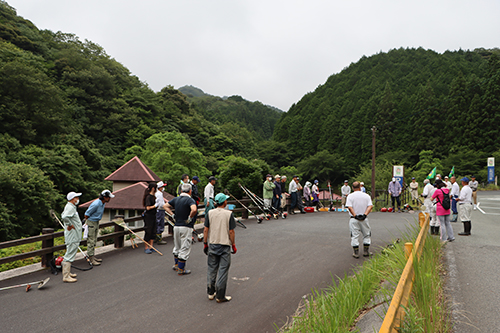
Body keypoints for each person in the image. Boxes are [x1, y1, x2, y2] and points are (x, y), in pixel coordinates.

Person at [203, 193, 237, 303]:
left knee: (212, 268)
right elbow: (231, 231)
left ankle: (210, 292)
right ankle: (220, 295)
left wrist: (205, 243)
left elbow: (205, 229)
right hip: (224, 244)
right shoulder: (229, 214)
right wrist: (233, 245)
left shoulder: (210, 213)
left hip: (212, 243)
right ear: (224, 202)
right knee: (223, 269)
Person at [164, 183, 197, 275]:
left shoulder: (176, 199)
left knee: (177, 246)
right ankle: (181, 269)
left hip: (176, 226)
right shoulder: (190, 200)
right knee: (185, 247)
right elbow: (194, 209)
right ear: (190, 191)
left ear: (181, 191)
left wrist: (172, 215)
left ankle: (176, 265)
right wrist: (190, 218)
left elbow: (165, 206)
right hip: (185, 226)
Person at [84, 189, 115, 265]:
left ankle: (92, 256)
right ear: (104, 197)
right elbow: (86, 214)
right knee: (91, 241)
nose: (109, 199)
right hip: (91, 222)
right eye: (108, 197)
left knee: (94, 240)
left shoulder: (103, 203)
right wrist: (88, 222)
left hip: (96, 221)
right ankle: (91, 259)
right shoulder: (96, 204)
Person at [345, 181, 373, 258]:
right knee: (366, 234)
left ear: (352, 188)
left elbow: (349, 207)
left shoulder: (350, 196)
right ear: (360, 187)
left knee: (354, 235)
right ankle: (366, 251)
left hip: (354, 218)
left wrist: (355, 215)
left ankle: (356, 252)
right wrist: (365, 215)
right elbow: (370, 206)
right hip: (364, 218)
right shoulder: (366, 196)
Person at [61, 192, 83, 283]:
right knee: (69, 254)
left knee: (70, 253)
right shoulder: (70, 207)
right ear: (72, 199)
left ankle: (68, 273)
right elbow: (65, 217)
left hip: (74, 234)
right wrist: (70, 225)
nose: (77, 199)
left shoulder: (71, 207)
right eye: (76, 197)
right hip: (72, 235)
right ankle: (66, 276)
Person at [142, 182, 158, 254]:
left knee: (153, 231)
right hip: (148, 216)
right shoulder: (148, 197)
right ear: (153, 188)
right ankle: (146, 247)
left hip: (153, 215)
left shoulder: (154, 196)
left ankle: (151, 246)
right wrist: (154, 206)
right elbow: (148, 207)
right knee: (148, 231)